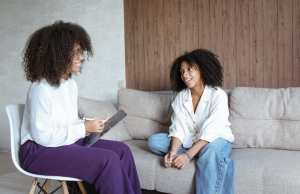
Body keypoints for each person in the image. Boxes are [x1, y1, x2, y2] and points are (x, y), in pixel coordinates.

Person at [20, 21, 141, 194]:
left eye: (81, 52)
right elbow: (43, 136)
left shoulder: (69, 84)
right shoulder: (41, 89)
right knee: (108, 160)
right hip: (37, 151)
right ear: (58, 54)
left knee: (123, 150)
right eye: (76, 52)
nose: (82, 57)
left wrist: (88, 125)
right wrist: (83, 128)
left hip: (61, 142)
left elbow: (67, 122)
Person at [148, 49, 235, 194]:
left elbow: (212, 131)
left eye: (189, 69)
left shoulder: (217, 95)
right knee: (154, 141)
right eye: (182, 72)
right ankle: (207, 157)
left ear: (201, 69)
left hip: (216, 140)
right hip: (190, 140)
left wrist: (188, 156)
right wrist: (173, 152)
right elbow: (178, 127)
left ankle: (206, 156)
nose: (185, 75)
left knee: (211, 151)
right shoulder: (181, 97)